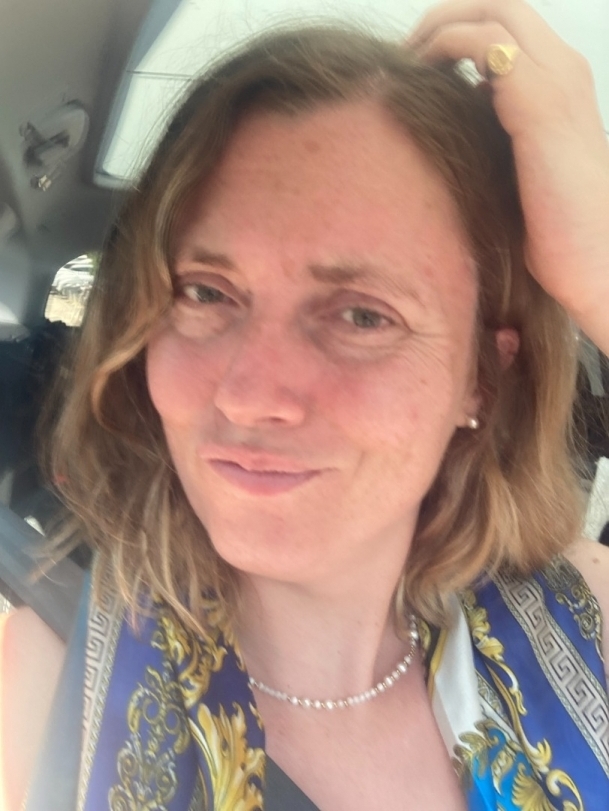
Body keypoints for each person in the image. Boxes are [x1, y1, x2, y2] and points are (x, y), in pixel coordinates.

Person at [2, 1, 609, 809]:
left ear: (480, 379)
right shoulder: (44, 684)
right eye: (206, 292)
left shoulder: (582, 614)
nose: (250, 393)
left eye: (361, 315)